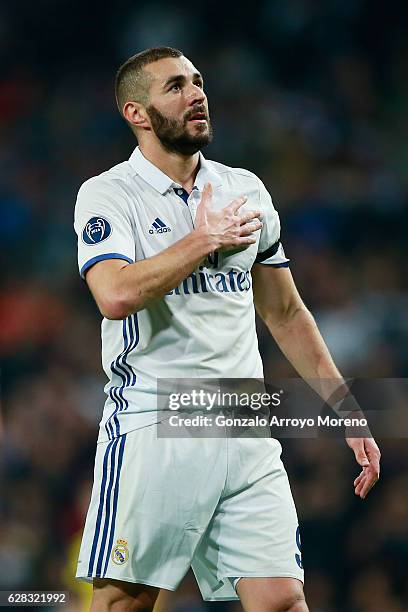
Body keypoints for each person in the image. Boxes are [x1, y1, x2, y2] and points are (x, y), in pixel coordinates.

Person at [74, 47, 381, 612]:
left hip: (242, 420)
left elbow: (285, 313)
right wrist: (203, 241)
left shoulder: (246, 191)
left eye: (197, 81)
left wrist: (345, 406)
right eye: (174, 87)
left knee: (282, 600)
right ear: (136, 113)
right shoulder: (109, 194)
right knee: (124, 602)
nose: (195, 94)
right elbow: (114, 295)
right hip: (157, 417)